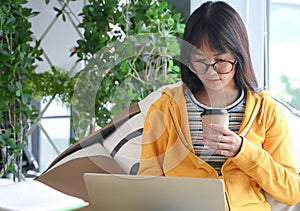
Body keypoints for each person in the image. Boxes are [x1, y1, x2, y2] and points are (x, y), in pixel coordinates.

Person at [137, 1, 300, 210]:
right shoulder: (164, 108)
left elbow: (291, 191)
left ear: (238, 56)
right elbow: (147, 183)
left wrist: (243, 150)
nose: (210, 72)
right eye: (199, 61)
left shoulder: (266, 111)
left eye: (221, 61)